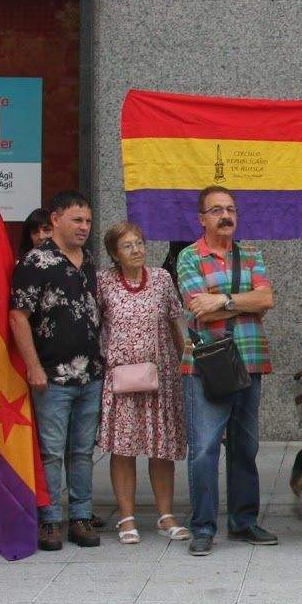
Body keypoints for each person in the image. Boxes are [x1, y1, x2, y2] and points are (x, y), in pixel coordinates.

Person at [175, 186, 276, 555]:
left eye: (230, 208)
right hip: (207, 363)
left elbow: (267, 298)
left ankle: (243, 522)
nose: (225, 215)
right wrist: (241, 304)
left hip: (250, 359)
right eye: (216, 210)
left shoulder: (251, 254)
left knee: (245, 447)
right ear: (201, 218)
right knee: (203, 450)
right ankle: (202, 526)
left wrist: (222, 300)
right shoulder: (188, 257)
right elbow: (199, 310)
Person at [11, 191, 105, 551]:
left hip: (90, 374)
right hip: (51, 376)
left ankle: (80, 516)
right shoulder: (36, 261)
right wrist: (33, 366)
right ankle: (49, 519)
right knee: (50, 450)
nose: (84, 227)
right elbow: (18, 315)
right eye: (77, 220)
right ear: (55, 220)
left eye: (88, 221)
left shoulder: (89, 260)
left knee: (81, 451)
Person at [95, 221, 191, 547]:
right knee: (123, 448)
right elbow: (93, 325)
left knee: (161, 447)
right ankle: (126, 518)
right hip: (120, 379)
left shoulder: (162, 279)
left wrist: (186, 360)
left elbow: (176, 322)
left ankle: (166, 515)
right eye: (127, 245)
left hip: (160, 375)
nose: (136, 250)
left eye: (139, 243)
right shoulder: (104, 283)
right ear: (113, 253)